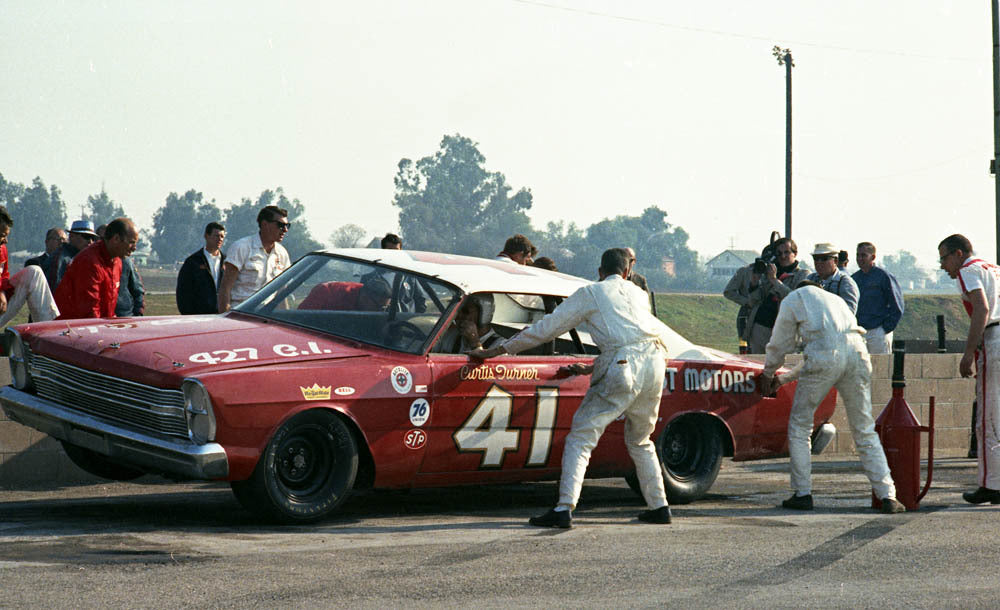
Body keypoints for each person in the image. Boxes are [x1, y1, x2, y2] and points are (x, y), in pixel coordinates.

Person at [469, 248, 673, 528]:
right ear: (627, 272)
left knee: (581, 437)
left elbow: (546, 329)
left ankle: (564, 507)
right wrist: (594, 367)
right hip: (654, 365)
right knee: (640, 440)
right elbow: (632, 338)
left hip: (624, 364)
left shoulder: (590, 293)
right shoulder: (639, 294)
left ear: (600, 272)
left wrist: (501, 350)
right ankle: (659, 506)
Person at [759, 281, 903, 513]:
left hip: (826, 355)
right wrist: (784, 379)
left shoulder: (794, 298)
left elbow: (781, 344)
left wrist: (768, 373)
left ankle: (802, 493)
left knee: (800, 426)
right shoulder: (835, 302)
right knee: (864, 429)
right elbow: (823, 353)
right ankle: (888, 495)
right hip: (857, 352)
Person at [937, 234, 1000, 504]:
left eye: (944, 258)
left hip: (994, 339)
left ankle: (991, 484)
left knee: (987, 419)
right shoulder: (993, 268)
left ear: (958, 254)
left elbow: (981, 308)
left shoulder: (968, 270)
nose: (943, 265)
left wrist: (968, 352)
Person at [723, 237, 810, 353]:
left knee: (785, 366)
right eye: (779, 253)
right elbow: (756, 300)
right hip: (761, 326)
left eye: (787, 252)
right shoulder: (769, 272)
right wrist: (754, 284)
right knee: (758, 364)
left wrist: (774, 281)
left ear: (795, 253)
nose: (783, 256)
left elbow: (794, 298)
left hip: (787, 329)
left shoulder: (803, 274)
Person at [54, 217, 137, 320]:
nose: (134, 248)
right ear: (116, 239)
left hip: (96, 326)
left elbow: (108, 309)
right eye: (131, 242)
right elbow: (90, 311)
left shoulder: (117, 261)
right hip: (72, 328)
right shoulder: (89, 262)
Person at [217, 205, 291, 311]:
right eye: (280, 225)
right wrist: (225, 318)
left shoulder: (282, 254)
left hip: (267, 316)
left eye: (287, 225)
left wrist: (285, 321)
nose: (285, 230)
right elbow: (225, 288)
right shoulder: (241, 247)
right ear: (265, 224)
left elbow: (281, 294)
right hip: (240, 314)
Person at [0, 207, 59, 326]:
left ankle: (50, 330)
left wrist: (1, 291)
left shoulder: (2, 250)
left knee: (34, 272)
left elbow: (5, 276)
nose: (6, 241)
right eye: (2, 236)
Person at [852, 242, 904, 355]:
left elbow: (897, 306)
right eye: (858, 255)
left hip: (877, 332)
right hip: (859, 332)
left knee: (880, 368)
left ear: (873, 257)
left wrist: (885, 329)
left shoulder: (883, 276)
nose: (860, 258)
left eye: (864, 255)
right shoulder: (854, 279)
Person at [176, 222, 226, 314]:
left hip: (222, 316)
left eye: (222, 236)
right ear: (206, 236)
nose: (220, 239)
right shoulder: (193, 262)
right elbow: (183, 293)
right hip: (199, 317)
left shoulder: (228, 262)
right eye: (216, 236)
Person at [95, 224, 144, 317]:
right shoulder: (90, 261)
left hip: (125, 316)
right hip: (100, 319)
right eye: (101, 238)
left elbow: (137, 290)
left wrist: (138, 314)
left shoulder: (126, 262)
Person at [437, 293, 503, 353]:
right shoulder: (450, 336)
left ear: (484, 313)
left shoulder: (500, 345)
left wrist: (474, 343)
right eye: (457, 311)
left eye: (465, 311)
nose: (458, 316)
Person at [805, 243, 859, 314]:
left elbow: (848, 314)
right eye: (816, 258)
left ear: (836, 261)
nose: (819, 262)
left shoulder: (845, 282)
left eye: (824, 258)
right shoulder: (810, 279)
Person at [299, 275, 392, 311]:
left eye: (385, 308)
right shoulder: (326, 292)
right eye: (379, 307)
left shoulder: (377, 310)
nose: (380, 312)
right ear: (365, 298)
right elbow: (298, 321)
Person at [51, 219, 99, 288]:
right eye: (86, 237)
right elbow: (55, 288)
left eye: (93, 238)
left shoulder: (84, 258)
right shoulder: (61, 259)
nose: (90, 241)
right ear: (72, 236)